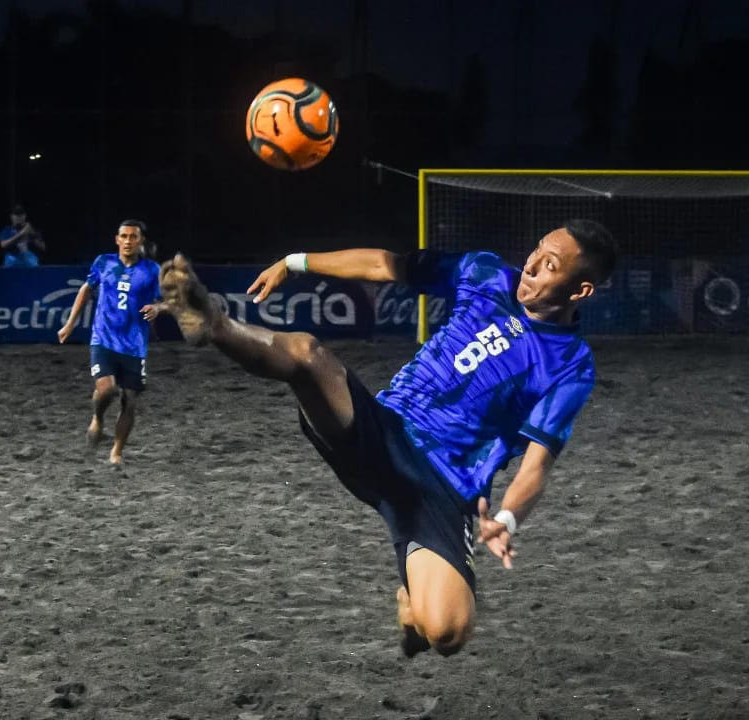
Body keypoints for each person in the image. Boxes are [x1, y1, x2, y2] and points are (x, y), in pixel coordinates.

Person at [159, 219, 616, 658]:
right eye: (537, 250)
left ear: (581, 291)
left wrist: (508, 519)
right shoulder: (486, 272)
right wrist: (294, 261)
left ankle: (410, 606)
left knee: (448, 633)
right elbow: (384, 264)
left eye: (551, 265)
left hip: (442, 488)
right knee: (307, 355)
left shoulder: (571, 366)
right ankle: (214, 322)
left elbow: (537, 464)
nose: (532, 265)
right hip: (384, 430)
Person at [57, 219, 166, 465]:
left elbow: (168, 300)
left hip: (134, 345)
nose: (128, 241)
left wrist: (158, 308)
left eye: (133, 237)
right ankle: (97, 418)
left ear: (141, 242)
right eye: (124, 236)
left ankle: (116, 451)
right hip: (103, 338)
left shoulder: (152, 270)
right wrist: (70, 323)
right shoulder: (103, 263)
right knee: (107, 389)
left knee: (129, 400)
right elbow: (86, 290)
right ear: (117, 239)